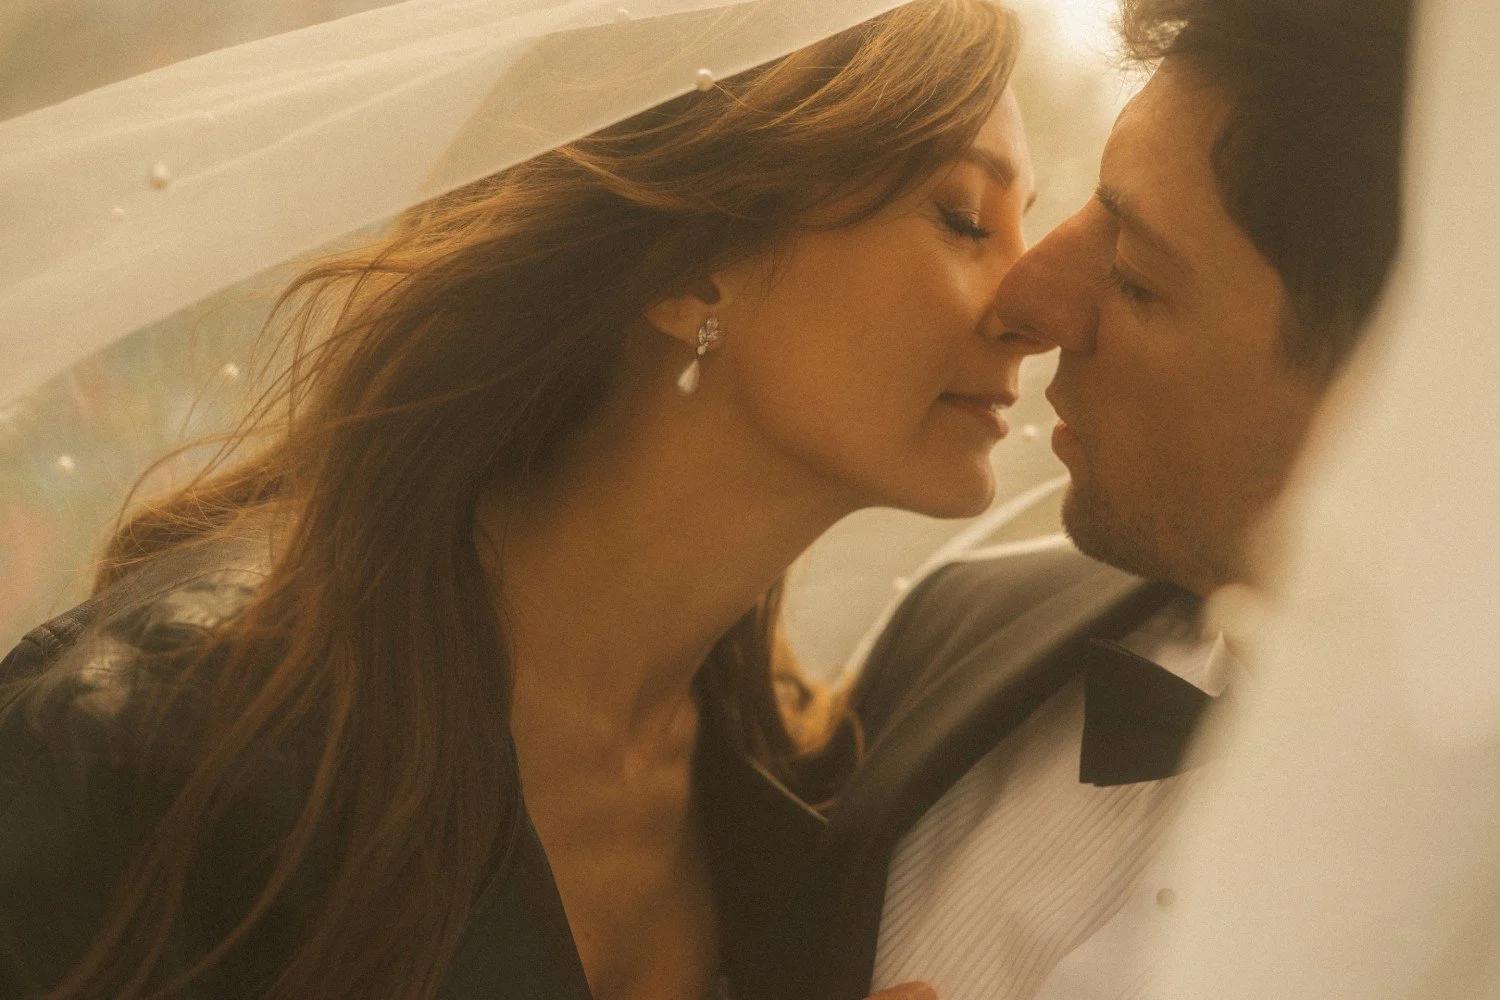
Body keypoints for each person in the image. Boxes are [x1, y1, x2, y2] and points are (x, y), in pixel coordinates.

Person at [0, 3, 1044, 998]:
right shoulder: (164, 733)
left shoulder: (802, 788)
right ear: (693, 268)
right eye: (964, 218)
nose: (1035, 306)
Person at [750, 1, 1414, 998]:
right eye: (1095, 204)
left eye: (1138, 278)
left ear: (1383, 414)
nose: (1028, 299)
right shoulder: (956, 630)